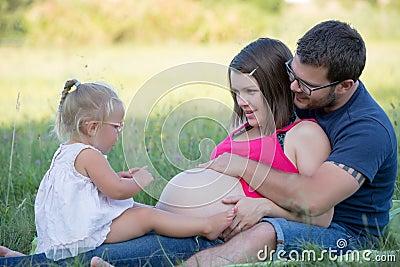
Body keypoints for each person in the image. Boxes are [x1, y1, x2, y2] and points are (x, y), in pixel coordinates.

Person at [184, 20, 398, 265]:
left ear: (344, 86)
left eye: (306, 84)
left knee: (265, 233)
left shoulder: (367, 130)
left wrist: (241, 167)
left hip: (345, 234)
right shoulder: (307, 97)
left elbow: (313, 200)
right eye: (292, 73)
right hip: (287, 212)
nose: (293, 87)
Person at [0, 79, 235, 266]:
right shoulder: (89, 154)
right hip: (86, 231)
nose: (119, 133)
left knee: (140, 210)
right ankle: (205, 226)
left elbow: (93, 186)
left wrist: (118, 177)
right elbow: (117, 191)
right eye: (117, 127)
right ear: (92, 127)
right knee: (147, 217)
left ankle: (16, 258)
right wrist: (139, 182)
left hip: (71, 229)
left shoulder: (67, 151)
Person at [156, 38, 333, 232]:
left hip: (210, 238)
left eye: (250, 91)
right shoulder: (243, 127)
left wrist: (267, 208)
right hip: (171, 224)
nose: (241, 101)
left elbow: (322, 218)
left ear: (277, 87)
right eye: (236, 92)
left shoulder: (303, 134)